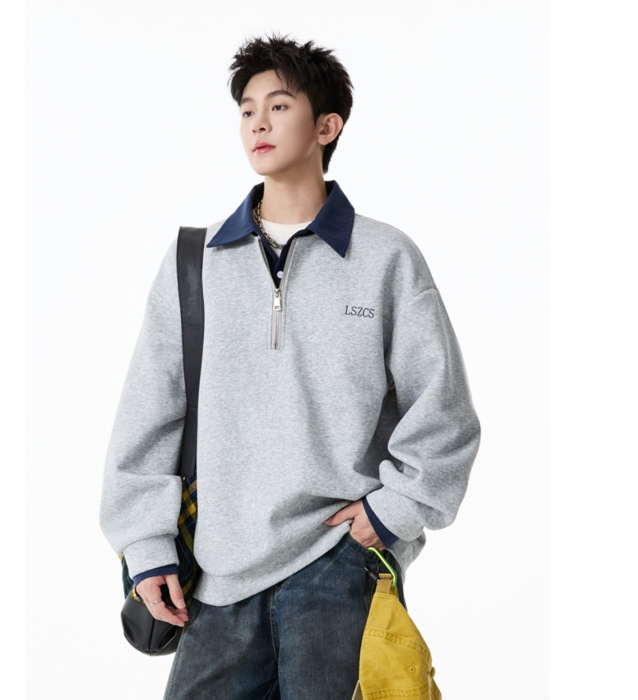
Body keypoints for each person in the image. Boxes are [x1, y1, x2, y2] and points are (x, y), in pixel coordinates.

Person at [100, 34, 481, 699]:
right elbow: (150, 413)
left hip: (339, 563)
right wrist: (146, 544)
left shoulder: (386, 258)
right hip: (217, 574)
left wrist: (395, 511)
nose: (259, 124)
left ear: (326, 127)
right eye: (247, 110)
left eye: (279, 106)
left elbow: (442, 409)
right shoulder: (196, 262)